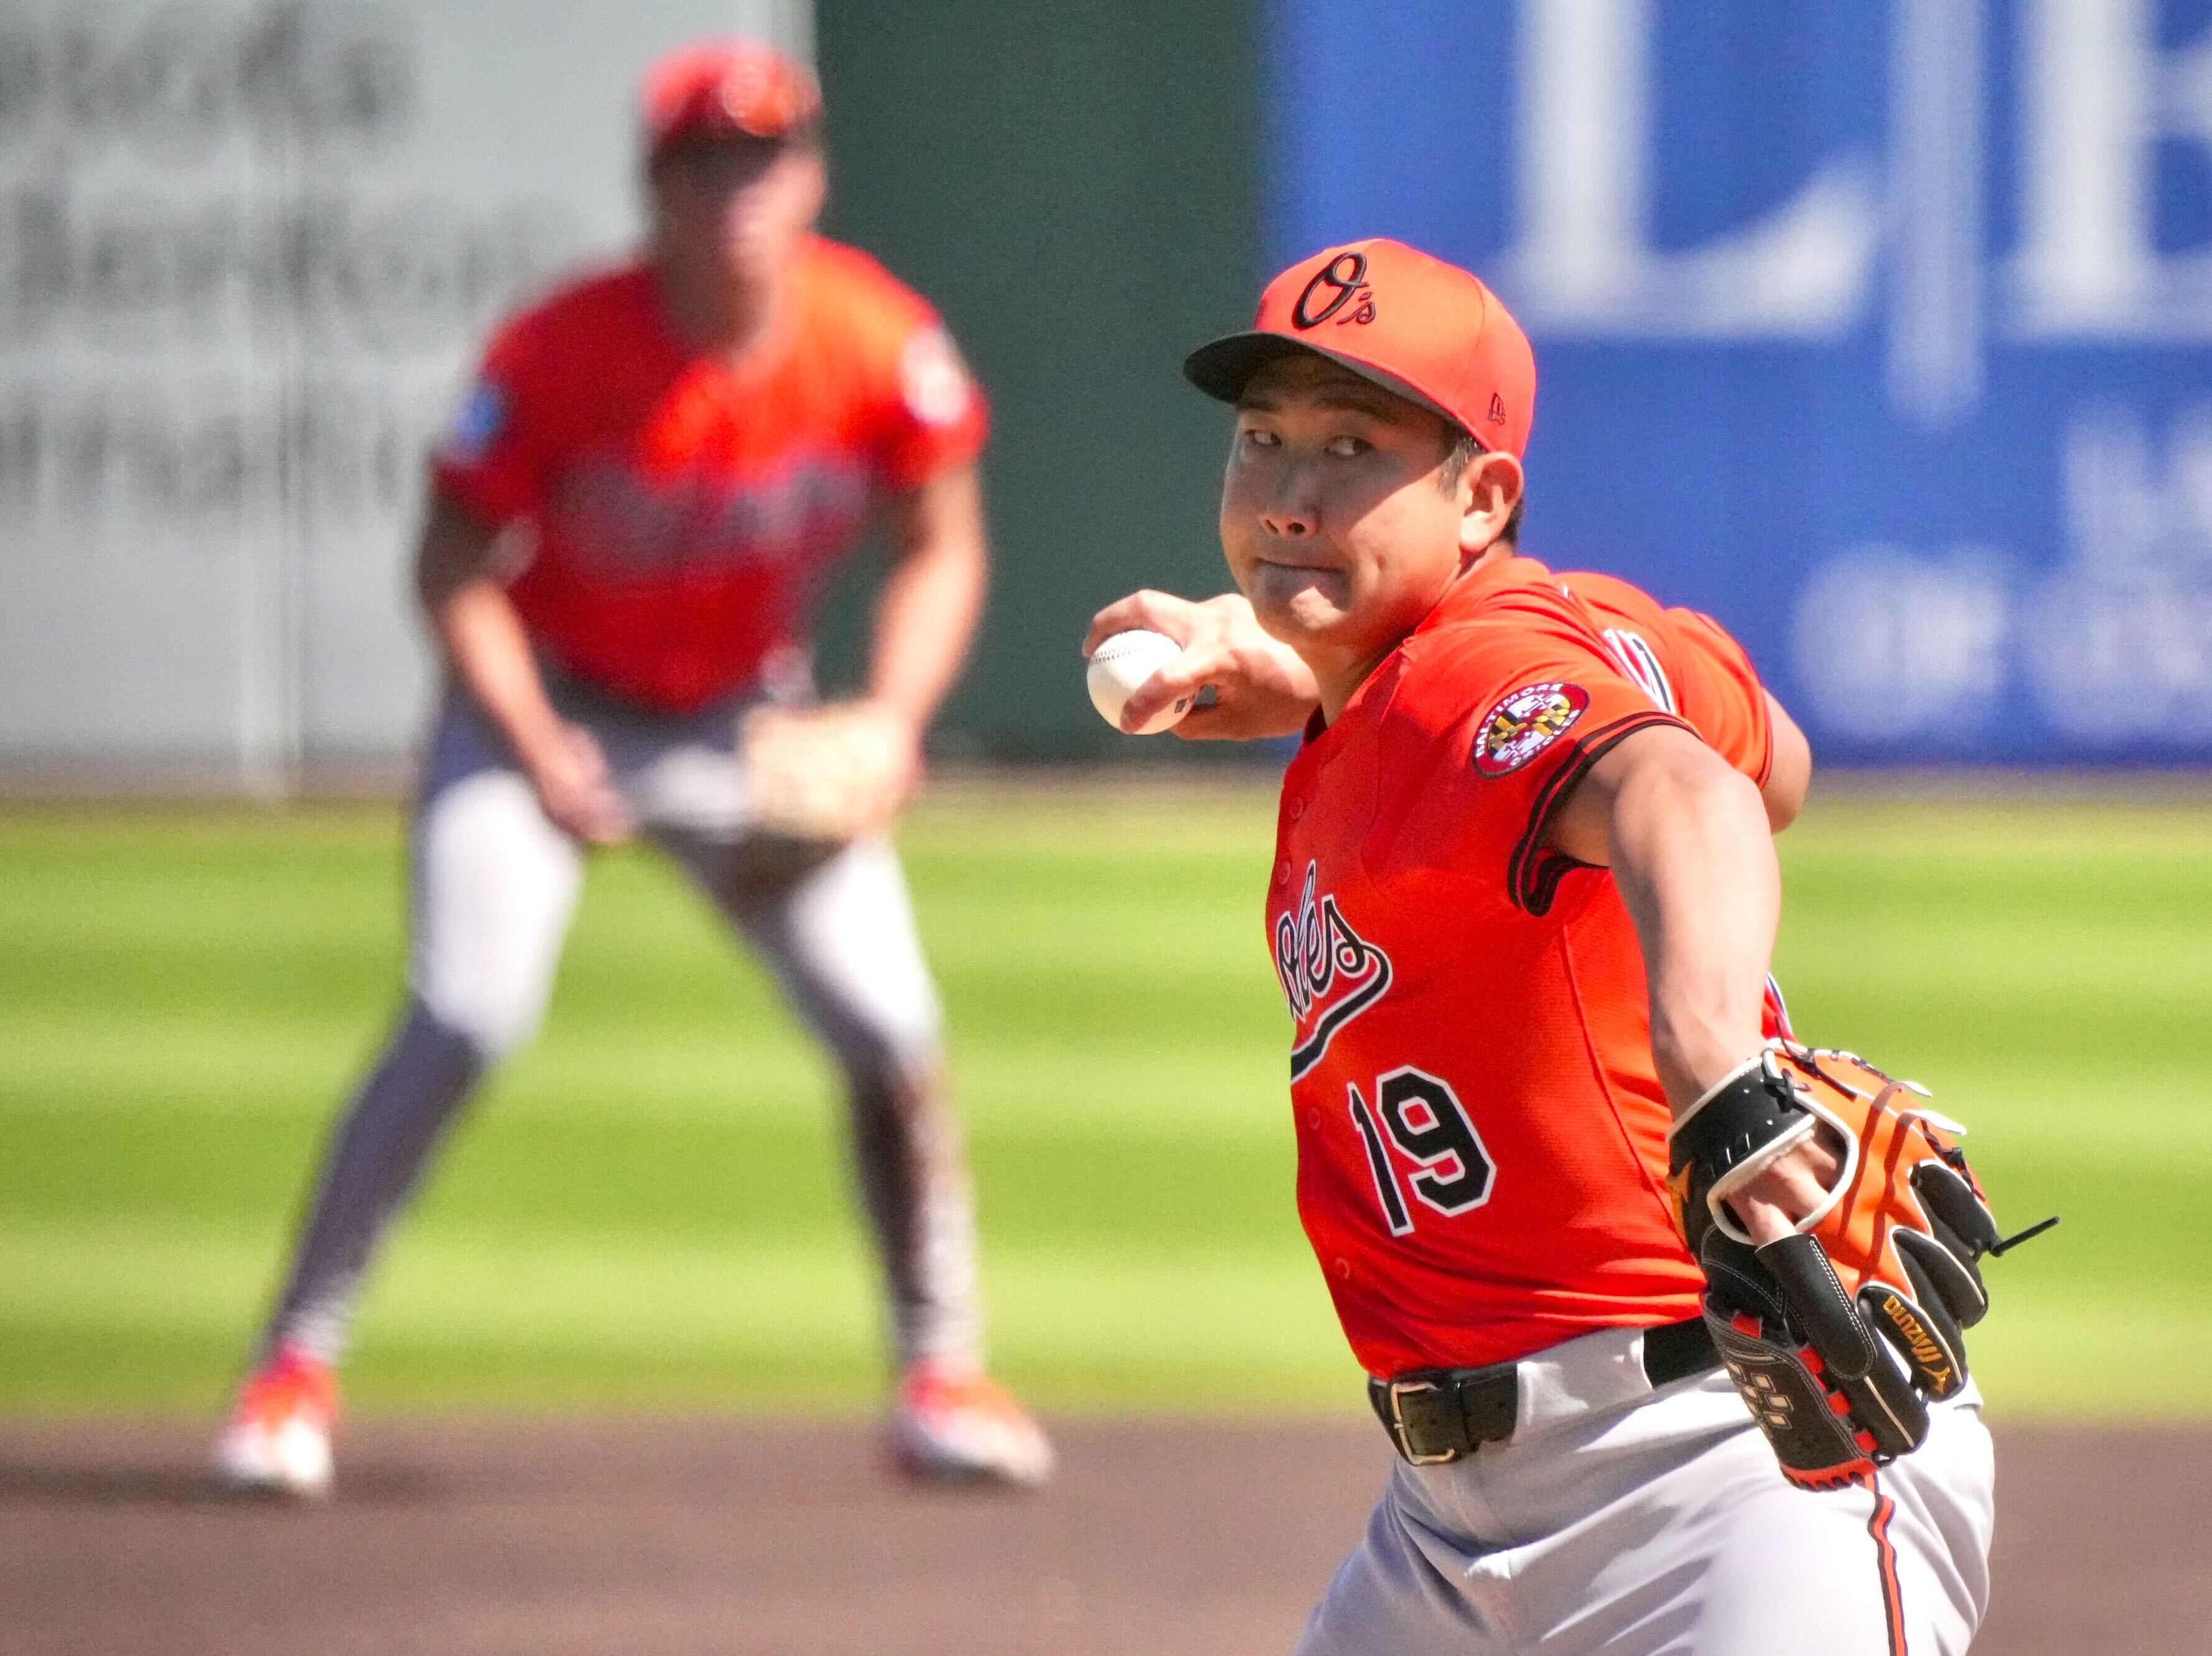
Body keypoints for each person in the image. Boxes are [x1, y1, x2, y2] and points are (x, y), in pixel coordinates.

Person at [1085, 238, 1997, 1653]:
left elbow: (1681, 788)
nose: (1289, 494)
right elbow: (1777, 764)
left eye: (1352, 447)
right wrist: (1316, 671)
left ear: (1482, 495)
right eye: (1262, 440)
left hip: (1728, 1474)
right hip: (1451, 1533)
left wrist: (1715, 1069)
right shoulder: (1554, 633)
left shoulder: (1469, 678)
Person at [214, 39, 1051, 1497]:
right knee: (467, 1011)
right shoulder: (559, 349)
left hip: (745, 724)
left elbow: (944, 541)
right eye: (704, 161)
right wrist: (537, 753)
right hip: (547, 700)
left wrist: (890, 721)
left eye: (764, 156)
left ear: (813, 177)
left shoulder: (877, 341)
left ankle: (944, 1370)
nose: (737, 187)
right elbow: (451, 566)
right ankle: (294, 1365)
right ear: (655, 187)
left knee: (889, 1022)